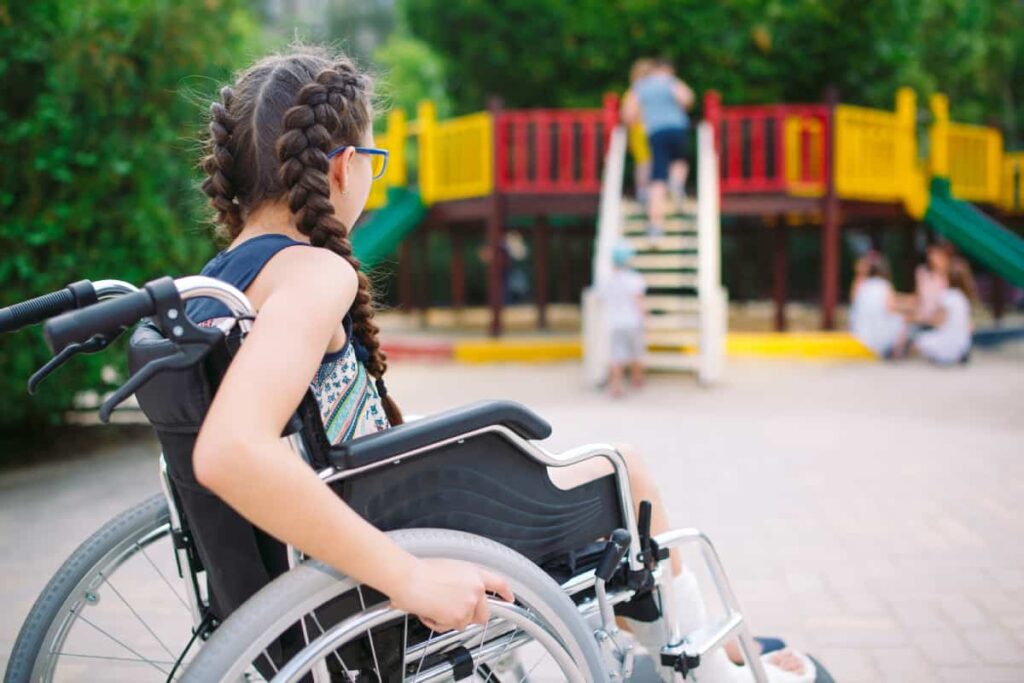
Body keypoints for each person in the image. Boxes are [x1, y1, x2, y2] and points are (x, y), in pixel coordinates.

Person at [189, 45, 814, 680]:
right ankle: (712, 666)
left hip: (377, 511)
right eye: (375, 163)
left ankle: (700, 645)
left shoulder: (217, 283)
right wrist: (409, 578)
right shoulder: (313, 273)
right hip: (400, 539)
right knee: (626, 471)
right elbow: (231, 450)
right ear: (345, 169)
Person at [621, 57, 695, 237]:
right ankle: (676, 184)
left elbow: (628, 113)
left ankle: (655, 226)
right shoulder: (670, 81)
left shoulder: (641, 86)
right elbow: (687, 99)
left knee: (657, 177)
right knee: (679, 160)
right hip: (677, 128)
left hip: (655, 131)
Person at [597, 240, 647, 397]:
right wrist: (646, 319)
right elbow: (639, 302)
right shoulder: (634, 279)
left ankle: (615, 385)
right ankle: (637, 378)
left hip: (615, 322)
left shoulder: (607, 280)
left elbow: (601, 297)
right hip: (633, 321)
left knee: (616, 356)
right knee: (636, 353)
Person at [913, 256, 975, 365]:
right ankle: (959, 353)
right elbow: (970, 327)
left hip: (947, 345)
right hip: (962, 344)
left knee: (919, 340)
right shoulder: (964, 299)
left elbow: (938, 321)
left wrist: (922, 319)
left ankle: (942, 355)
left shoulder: (947, 296)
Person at [849, 250, 905, 357]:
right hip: (877, 331)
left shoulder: (862, 284)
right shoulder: (884, 285)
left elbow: (854, 304)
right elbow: (891, 307)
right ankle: (896, 352)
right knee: (901, 320)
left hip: (859, 330)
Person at [627, 59, 655, 204]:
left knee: (643, 162)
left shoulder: (635, 90)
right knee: (649, 162)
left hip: (641, 129)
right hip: (649, 129)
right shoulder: (646, 90)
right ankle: (647, 190)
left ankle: (643, 190)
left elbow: (628, 115)